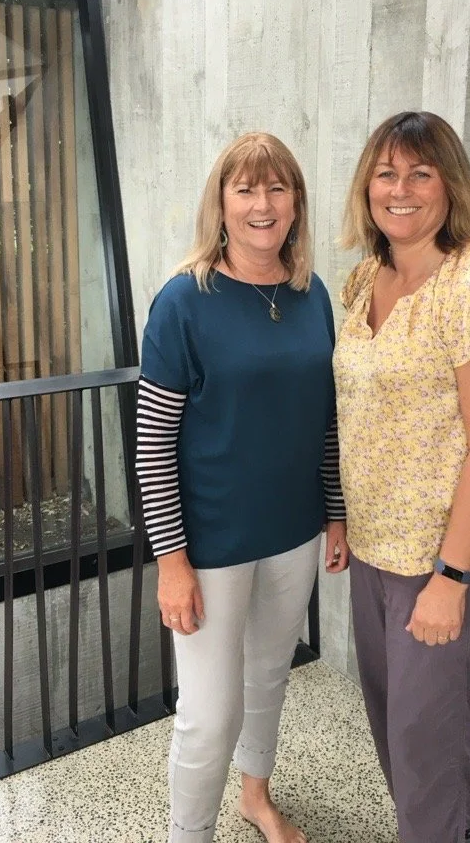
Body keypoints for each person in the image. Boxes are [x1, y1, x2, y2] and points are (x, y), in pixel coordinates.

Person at [136, 132, 348, 843]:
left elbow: (325, 420)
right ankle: (186, 835)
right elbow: (153, 443)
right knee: (208, 711)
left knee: (269, 677)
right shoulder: (183, 302)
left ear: (296, 203)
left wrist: (336, 516)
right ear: (221, 204)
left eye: (277, 188)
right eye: (246, 189)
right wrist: (171, 561)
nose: (263, 204)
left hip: (294, 530)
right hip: (211, 544)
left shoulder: (310, 293)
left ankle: (256, 799)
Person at [334, 111, 470, 843]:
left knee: (430, 746)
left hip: (438, 559)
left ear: (450, 185)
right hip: (372, 550)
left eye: (421, 172)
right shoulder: (365, 277)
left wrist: (450, 577)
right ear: (367, 186)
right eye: (386, 172)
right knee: (397, 730)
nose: (402, 189)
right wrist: (340, 518)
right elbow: (357, 410)